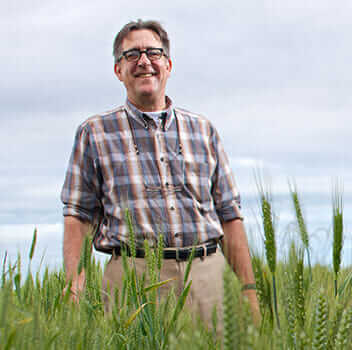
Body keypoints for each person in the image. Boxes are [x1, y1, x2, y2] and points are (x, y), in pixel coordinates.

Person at [61, 19, 259, 327]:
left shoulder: (203, 129)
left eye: (153, 53)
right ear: (118, 70)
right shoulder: (94, 132)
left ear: (168, 65)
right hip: (132, 279)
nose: (144, 62)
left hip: (208, 277)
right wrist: (74, 282)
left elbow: (229, 215)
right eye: (131, 55)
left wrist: (248, 290)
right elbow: (78, 214)